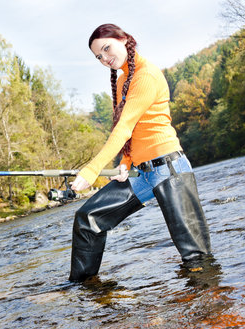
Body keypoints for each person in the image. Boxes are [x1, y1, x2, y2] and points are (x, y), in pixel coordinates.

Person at [69, 24, 211, 282]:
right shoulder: (123, 78)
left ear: (123, 39)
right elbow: (132, 129)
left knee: (195, 258)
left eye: (106, 48)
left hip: (169, 169)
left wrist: (92, 169)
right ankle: (83, 289)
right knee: (88, 218)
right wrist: (125, 161)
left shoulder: (146, 75)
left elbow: (124, 127)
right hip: (142, 174)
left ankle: (213, 312)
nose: (104, 58)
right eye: (98, 57)